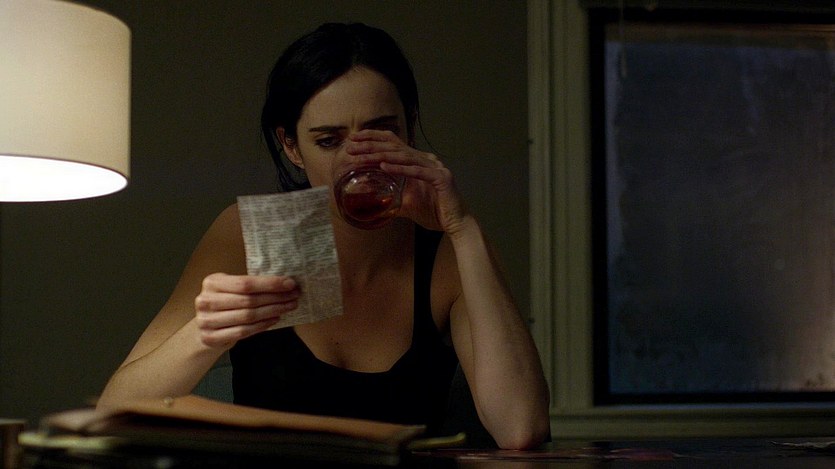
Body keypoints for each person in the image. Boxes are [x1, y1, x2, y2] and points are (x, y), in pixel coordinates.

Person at [97, 22, 550, 450]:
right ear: (292, 147)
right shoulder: (256, 235)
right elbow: (113, 413)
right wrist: (205, 334)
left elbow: (520, 427)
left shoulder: (448, 247)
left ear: (409, 128)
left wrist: (463, 228)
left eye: (380, 133)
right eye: (329, 142)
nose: (359, 162)